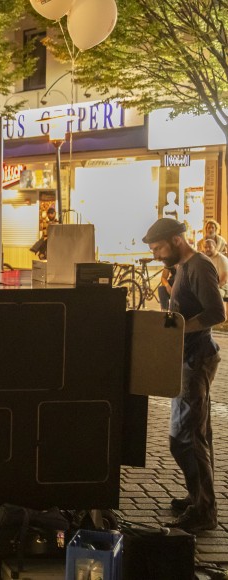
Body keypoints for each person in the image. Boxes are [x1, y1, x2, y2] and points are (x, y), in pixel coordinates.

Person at [143, 217, 225, 533]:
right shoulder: (182, 269)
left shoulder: (199, 266)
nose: (156, 255)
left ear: (177, 240)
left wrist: (178, 328)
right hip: (188, 358)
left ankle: (204, 511)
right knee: (194, 436)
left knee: (187, 439)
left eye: (158, 247)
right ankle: (198, 498)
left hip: (197, 358)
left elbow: (217, 312)